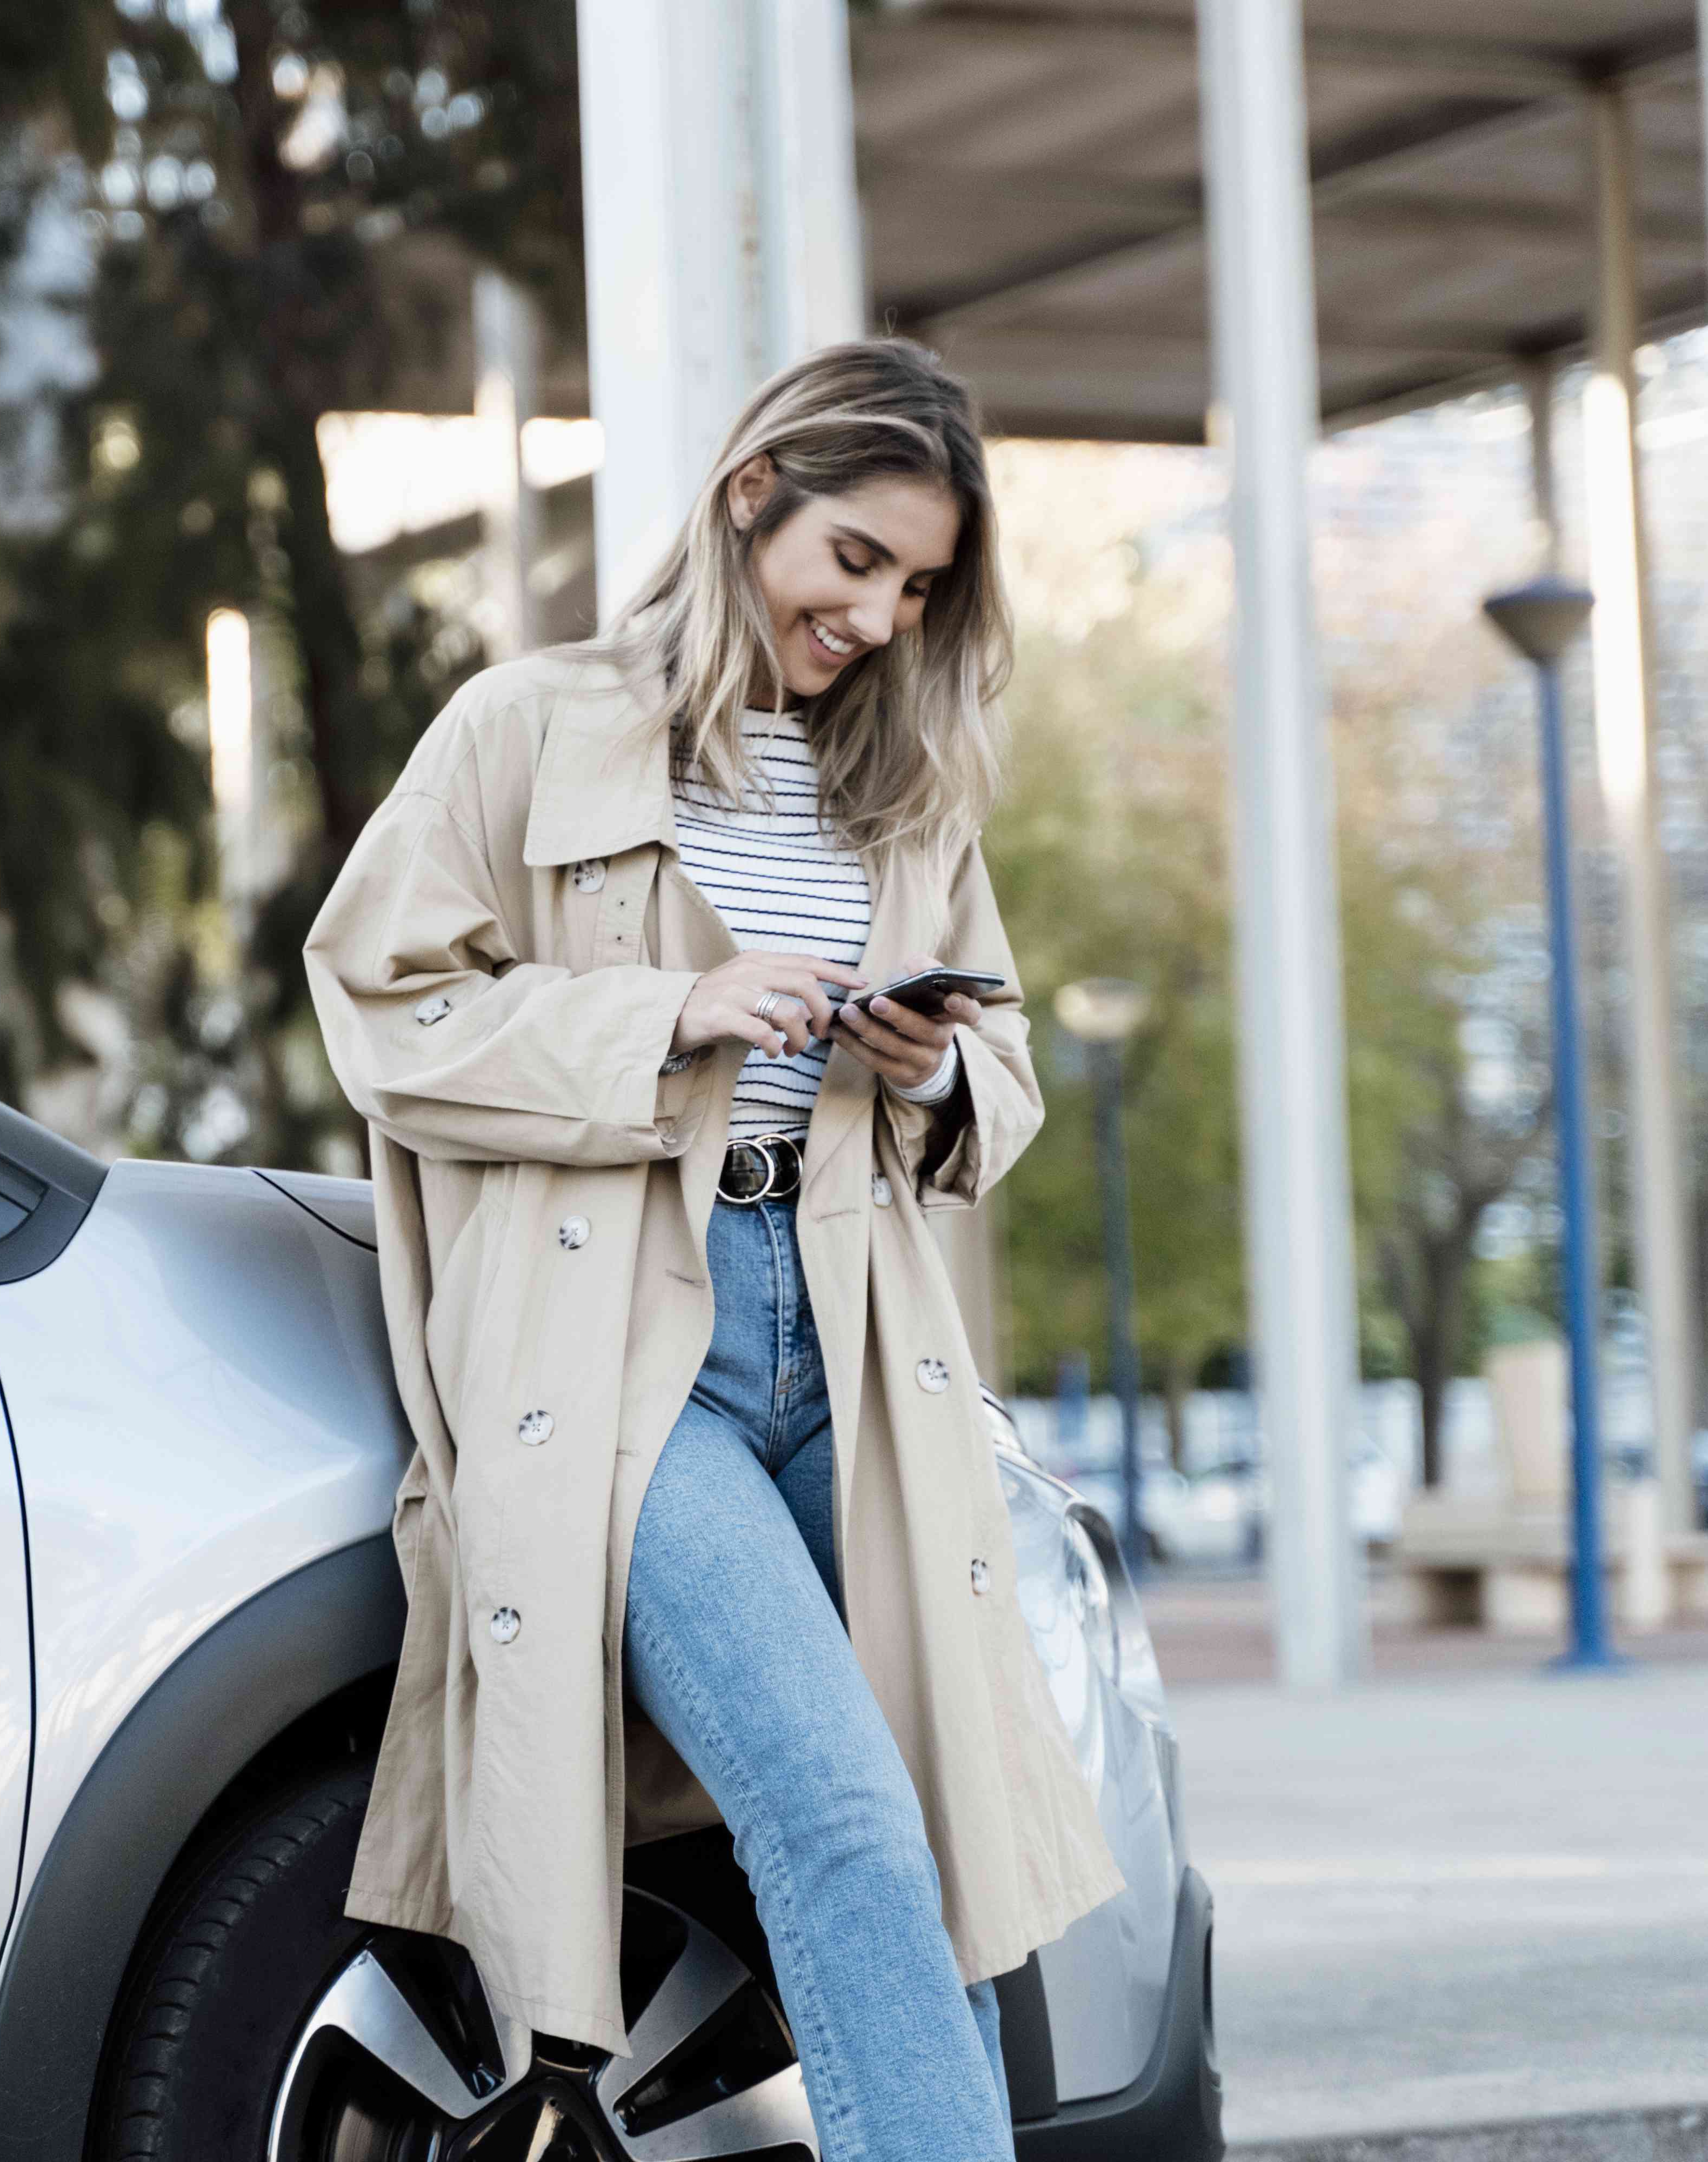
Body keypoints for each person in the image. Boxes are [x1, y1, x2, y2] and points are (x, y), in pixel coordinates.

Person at [304, 338, 1121, 2161]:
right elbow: (382, 1009)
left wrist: (932, 1067)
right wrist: (677, 1011)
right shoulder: (527, 727)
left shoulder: (908, 784)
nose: (882, 620)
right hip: (624, 1345)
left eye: (917, 588)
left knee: (940, 1817)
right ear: (752, 496)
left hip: (850, 1326)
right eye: (855, 563)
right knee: (834, 1809)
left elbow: (1004, 1074)